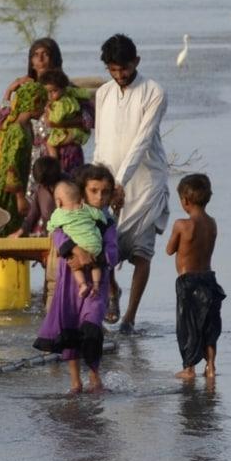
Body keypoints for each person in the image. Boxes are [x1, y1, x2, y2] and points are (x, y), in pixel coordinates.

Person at [92, 33, 169, 333]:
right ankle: (111, 291)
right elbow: (100, 142)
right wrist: (102, 181)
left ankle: (130, 318)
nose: (119, 75)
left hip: (146, 183)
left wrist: (120, 182)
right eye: (113, 70)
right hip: (109, 183)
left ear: (136, 61)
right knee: (102, 246)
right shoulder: (103, 93)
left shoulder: (154, 92)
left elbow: (143, 140)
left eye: (123, 68)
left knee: (141, 252)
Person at [34, 166, 120, 393]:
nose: (100, 197)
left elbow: (113, 251)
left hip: (95, 286)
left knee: (91, 327)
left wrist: (92, 257)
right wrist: (75, 251)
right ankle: (75, 382)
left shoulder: (106, 221)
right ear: (82, 192)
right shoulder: (65, 217)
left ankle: (94, 376)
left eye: (105, 192)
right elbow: (57, 234)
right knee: (70, 331)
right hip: (68, 287)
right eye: (94, 191)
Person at [167, 173, 223, 380]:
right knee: (209, 324)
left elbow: (169, 249)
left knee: (188, 324)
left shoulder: (182, 225)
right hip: (209, 278)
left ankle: (189, 368)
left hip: (188, 281)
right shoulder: (212, 223)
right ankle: (211, 367)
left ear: (185, 201)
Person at [0, 79, 46, 233]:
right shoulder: (18, 131)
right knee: (6, 224)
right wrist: (20, 198)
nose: (44, 109)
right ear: (34, 103)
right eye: (42, 104)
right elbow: (11, 167)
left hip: (18, 185)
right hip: (9, 189)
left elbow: (4, 110)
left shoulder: (26, 125)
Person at [48, 181, 108, 301]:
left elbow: (51, 228)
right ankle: (96, 286)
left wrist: (49, 229)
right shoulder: (86, 208)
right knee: (96, 266)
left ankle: (83, 285)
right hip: (94, 245)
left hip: (77, 246)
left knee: (76, 268)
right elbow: (101, 217)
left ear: (58, 202)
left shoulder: (58, 213)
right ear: (80, 198)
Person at [39, 68, 93, 174]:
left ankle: (54, 164)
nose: (50, 95)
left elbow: (55, 119)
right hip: (70, 136)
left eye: (54, 91)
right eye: (47, 92)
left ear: (63, 89)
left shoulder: (61, 103)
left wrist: (48, 113)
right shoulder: (71, 93)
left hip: (68, 142)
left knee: (50, 144)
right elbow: (84, 93)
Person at [21, 154, 64, 236]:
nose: (42, 186)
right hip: (49, 234)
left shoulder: (69, 187)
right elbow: (33, 213)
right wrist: (22, 230)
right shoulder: (41, 189)